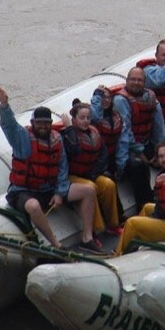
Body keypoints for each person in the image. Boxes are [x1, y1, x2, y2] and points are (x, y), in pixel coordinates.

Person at [0, 86, 97, 250]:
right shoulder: (23, 139)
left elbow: (62, 168)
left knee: (89, 191)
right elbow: (9, 126)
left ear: (50, 124)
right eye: (39, 123)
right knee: (33, 206)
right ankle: (56, 244)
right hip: (23, 191)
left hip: (49, 189)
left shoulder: (56, 139)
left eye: (46, 123)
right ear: (33, 123)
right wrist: (5, 106)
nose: (43, 126)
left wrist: (59, 192)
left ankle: (87, 237)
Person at [97, 66, 165, 208]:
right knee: (138, 166)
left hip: (145, 141)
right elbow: (125, 133)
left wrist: (161, 149)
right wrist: (140, 154)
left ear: (145, 82)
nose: (136, 83)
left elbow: (159, 126)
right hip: (128, 148)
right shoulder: (121, 101)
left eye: (140, 80)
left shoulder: (150, 97)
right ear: (127, 81)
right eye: (133, 79)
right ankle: (145, 204)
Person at [60, 100, 121, 236]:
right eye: (81, 118)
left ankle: (113, 224)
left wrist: (94, 173)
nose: (85, 121)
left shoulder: (94, 132)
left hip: (91, 173)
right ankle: (96, 228)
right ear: (74, 119)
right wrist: (69, 128)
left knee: (108, 184)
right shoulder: (67, 135)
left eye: (88, 118)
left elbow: (103, 155)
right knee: (90, 188)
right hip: (73, 176)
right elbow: (74, 149)